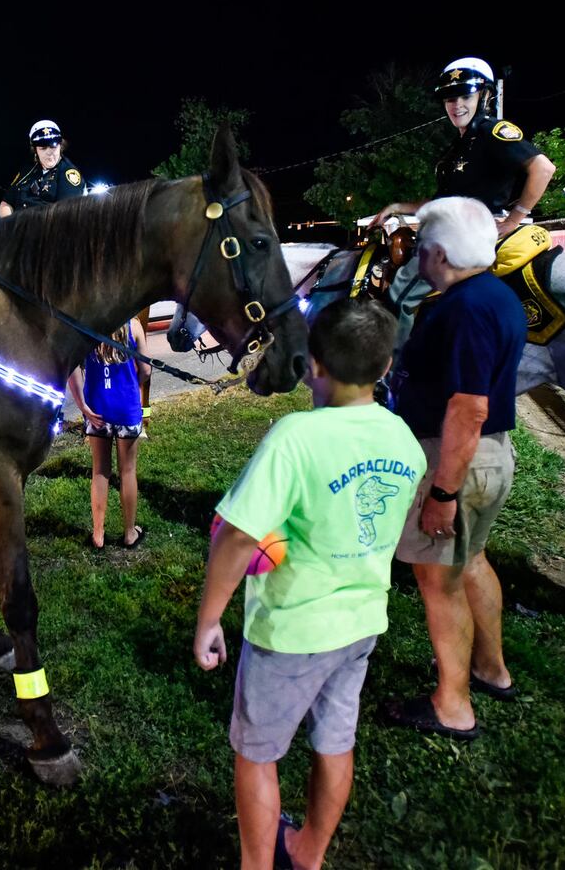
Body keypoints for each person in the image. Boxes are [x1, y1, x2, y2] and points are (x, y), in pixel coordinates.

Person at [194, 297, 424, 870]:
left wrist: (208, 620)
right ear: (386, 366)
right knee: (335, 742)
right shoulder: (404, 441)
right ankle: (308, 853)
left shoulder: (295, 437)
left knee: (256, 754)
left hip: (291, 629)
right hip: (362, 624)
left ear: (314, 365)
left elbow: (239, 537)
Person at [381, 197, 527, 741]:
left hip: (454, 458)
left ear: (438, 252)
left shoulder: (462, 309)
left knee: (437, 579)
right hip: (490, 457)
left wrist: (441, 492)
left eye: (419, 249)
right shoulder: (497, 295)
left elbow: (469, 405)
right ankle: (492, 670)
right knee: (472, 561)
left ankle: (453, 706)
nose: (415, 258)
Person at [375, 57, 556, 353]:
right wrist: (398, 206)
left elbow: (543, 168)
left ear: (484, 96)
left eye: (465, 96)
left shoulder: (492, 131)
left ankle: (392, 372)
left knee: (400, 294)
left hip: (465, 235)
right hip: (453, 229)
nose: (456, 104)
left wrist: (513, 219)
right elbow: (442, 202)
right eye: (450, 98)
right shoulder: (460, 145)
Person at [67, 317, 148, 550]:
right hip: (127, 408)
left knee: (100, 470)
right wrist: (133, 385)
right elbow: (146, 370)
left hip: (97, 408)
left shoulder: (87, 324)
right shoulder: (134, 326)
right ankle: (130, 533)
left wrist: (82, 406)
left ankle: (98, 534)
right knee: (128, 470)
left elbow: (72, 367)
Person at [0, 120, 86, 217]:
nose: (49, 152)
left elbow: (66, 216)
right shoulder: (28, 170)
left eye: (53, 146)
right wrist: (8, 227)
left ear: (60, 145)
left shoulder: (68, 173)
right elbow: (5, 203)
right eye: (43, 148)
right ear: (35, 150)